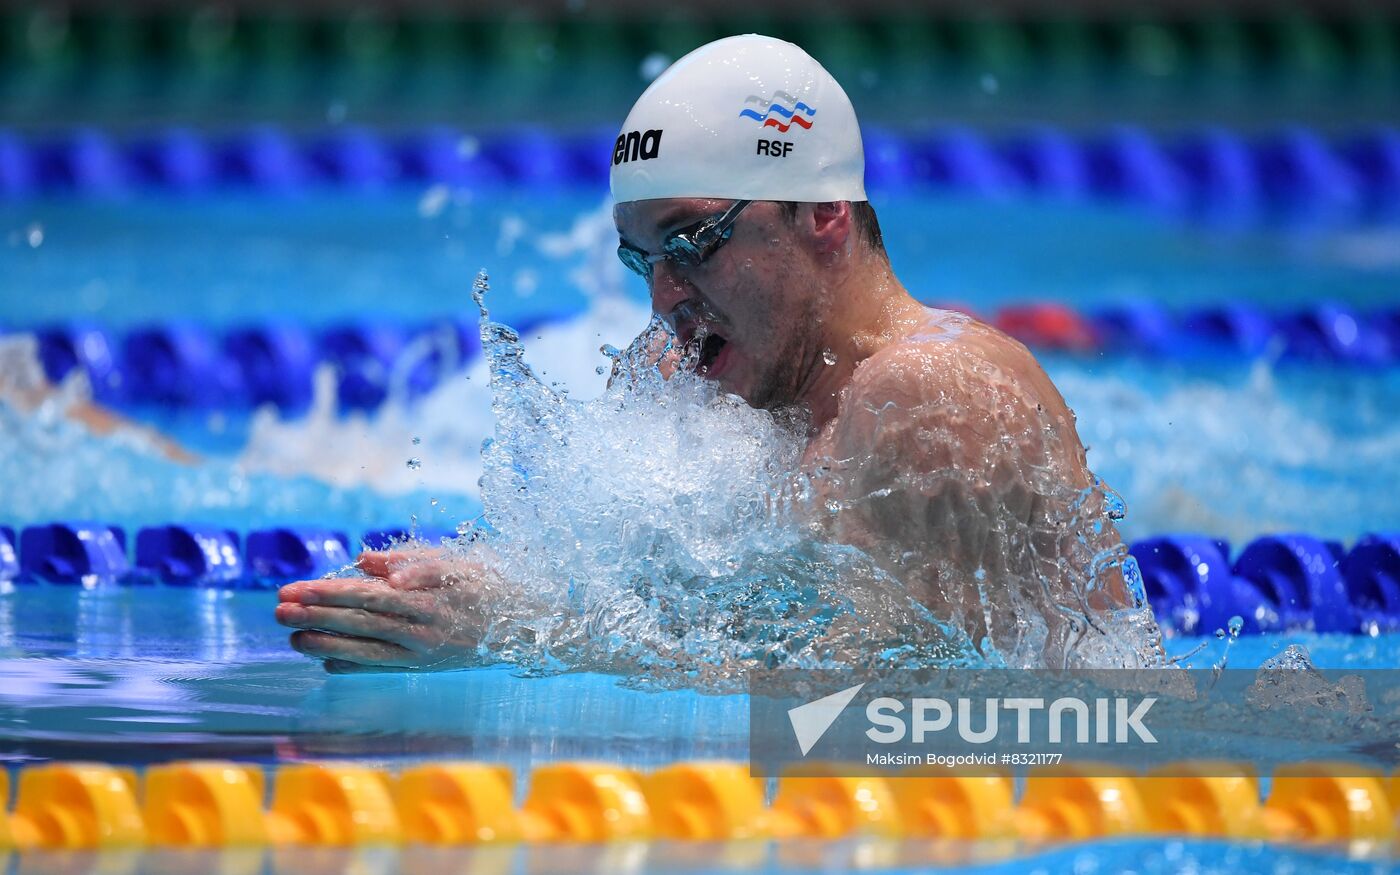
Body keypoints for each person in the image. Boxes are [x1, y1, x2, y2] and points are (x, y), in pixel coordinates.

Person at [277, 35, 1154, 673]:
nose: (662, 297)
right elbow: (675, 597)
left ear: (823, 214)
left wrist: (509, 627)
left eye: (693, 241)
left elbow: (878, 706)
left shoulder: (930, 394)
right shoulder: (710, 374)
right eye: (643, 257)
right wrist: (469, 588)